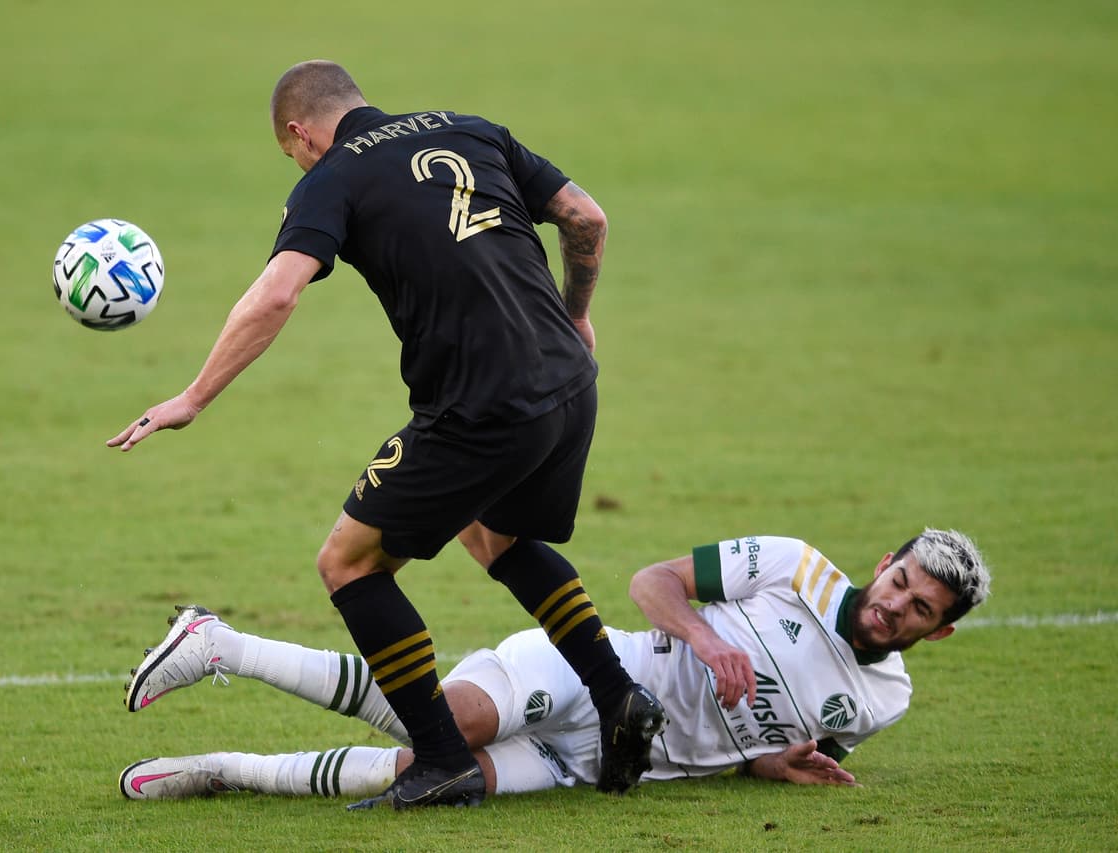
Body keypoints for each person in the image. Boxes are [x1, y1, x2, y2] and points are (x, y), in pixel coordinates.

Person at [108, 60, 663, 809]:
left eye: (292, 152)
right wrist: (578, 314)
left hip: (482, 406)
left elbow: (277, 294)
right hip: (570, 382)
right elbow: (586, 218)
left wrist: (193, 397)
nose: (299, 163)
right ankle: (619, 696)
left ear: (301, 133)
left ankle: (443, 760)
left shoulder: (331, 176)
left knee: (349, 562)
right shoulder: (472, 129)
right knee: (492, 533)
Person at [118, 528, 991, 801]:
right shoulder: (794, 567)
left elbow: (769, 755)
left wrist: (774, 765)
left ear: (939, 631)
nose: (895, 604)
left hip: (602, 766)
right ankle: (221, 644)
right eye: (900, 580)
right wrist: (708, 638)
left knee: (430, 774)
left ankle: (221, 769)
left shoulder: (883, 701)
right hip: (593, 673)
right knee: (452, 723)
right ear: (885, 561)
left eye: (920, 608)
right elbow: (651, 583)